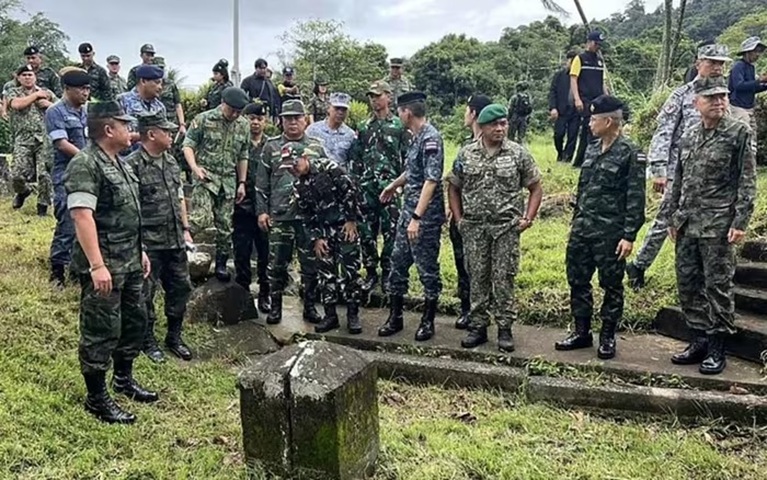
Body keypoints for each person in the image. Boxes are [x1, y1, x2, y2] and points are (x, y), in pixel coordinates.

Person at [64, 100, 155, 424]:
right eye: (124, 125)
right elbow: (81, 215)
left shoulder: (120, 163)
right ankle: (97, 397)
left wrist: (140, 250)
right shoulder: (85, 163)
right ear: (108, 129)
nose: (130, 130)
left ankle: (123, 379)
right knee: (101, 329)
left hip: (129, 260)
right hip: (105, 265)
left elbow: (127, 214)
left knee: (133, 322)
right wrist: (97, 265)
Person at [666, 76, 757, 375]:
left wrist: (740, 221)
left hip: (718, 224)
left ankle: (718, 347)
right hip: (688, 222)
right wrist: (672, 216)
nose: (719, 102)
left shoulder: (738, 132)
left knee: (717, 285)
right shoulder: (689, 135)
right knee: (688, 284)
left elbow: (747, 180)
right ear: (697, 103)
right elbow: (678, 180)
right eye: (711, 98)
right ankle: (699, 340)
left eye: (723, 96)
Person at [626, 44, 731, 290]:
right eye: (711, 62)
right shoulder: (682, 95)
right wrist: (659, 169)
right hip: (679, 169)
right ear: (698, 63)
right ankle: (640, 264)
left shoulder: (724, 95)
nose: (717, 67)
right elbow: (664, 132)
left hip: (713, 173)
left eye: (721, 63)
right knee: (667, 217)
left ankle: (704, 276)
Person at [555, 95, 646, 360]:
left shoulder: (631, 152)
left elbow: (636, 198)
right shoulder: (592, 148)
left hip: (610, 232)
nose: (589, 124)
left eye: (593, 119)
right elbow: (583, 188)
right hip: (583, 228)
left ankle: (607, 336)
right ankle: (581, 331)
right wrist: (575, 221)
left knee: (611, 284)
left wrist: (629, 236)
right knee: (577, 279)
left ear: (608, 121)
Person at [448, 104, 543, 352]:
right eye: (494, 124)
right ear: (482, 126)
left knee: (504, 278)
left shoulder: (518, 154)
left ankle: (504, 328)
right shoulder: (466, 154)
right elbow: (453, 187)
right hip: (475, 228)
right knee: (477, 276)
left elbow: (535, 187)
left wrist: (528, 218)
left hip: (505, 228)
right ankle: (478, 326)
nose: (500, 128)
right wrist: (459, 219)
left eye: (503, 123)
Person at [126, 112, 194, 363]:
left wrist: (186, 229)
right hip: (149, 242)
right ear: (152, 134)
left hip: (175, 239)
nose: (171, 135)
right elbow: (129, 209)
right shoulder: (132, 165)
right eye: (166, 131)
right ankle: (147, 339)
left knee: (181, 287)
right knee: (146, 293)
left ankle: (174, 337)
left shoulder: (172, 162)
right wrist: (138, 244)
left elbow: (179, 196)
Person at [377, 91, 445, 342]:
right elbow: (412, 171)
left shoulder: (431, 138)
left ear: (407, 112)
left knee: (427, 268)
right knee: (397, 263)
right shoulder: (415, 137)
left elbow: (431, 180)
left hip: (424, 217)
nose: (398, 115)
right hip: (408, 213)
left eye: (399, 111)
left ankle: (428, 321)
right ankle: (395, 317)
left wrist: (417, 217)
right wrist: (393, 185)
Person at [255, 99, 325, 324]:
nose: (293, 122)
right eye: (288, 119)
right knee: (277, 264)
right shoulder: (271, 147)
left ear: (305, 120)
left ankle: (310, 307)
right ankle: (275, 307)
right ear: (281, 121)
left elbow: (325, 181)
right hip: (281, 215)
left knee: (310, 264)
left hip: (308, 218)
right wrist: (262, 212)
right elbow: (261, 184)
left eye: (297, 118)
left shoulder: (316, 147)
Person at [288, 143, 362, 334]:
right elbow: (306, 215)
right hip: (323, 231)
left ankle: (353, 314)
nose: (293, 169)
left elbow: (350, 190)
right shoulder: (298, 185)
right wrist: (316, 238)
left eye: (294, 164)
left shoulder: (328, 168)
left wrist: (351, 220)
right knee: (326, 274)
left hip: (344, 226)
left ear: (305, 157)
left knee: (350, 271)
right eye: (288, 167)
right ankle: (330, 316)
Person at [183, 87, 251, 282]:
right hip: (206, 178)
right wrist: (195, 168)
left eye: (239, 111)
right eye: (232, 110)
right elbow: (188, 145)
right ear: (223, 103)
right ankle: (181, 250)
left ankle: (221, 264)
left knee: (225, 226)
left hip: (228, 181)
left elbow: (243, 155)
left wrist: (242, 182)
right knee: (201, 218)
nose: (235, 114)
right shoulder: (204, 119)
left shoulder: (243, 125)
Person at [349, 80, 409, 295]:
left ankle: (387, 272)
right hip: (367, 188)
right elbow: (356, 158)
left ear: (388, 97)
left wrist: (401, 186)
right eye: (371, 97)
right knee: (366, 232)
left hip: (390, 188)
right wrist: (355, 185)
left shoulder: (399, 126)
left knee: (392, 232)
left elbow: (407, 158)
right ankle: (371, 272)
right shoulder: (364, 127)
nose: (374, 100)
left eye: (378, 96)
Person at [446, 94, 492, 330]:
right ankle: (466, 308)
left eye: (466, 110)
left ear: (474, 113)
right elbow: (455, 181)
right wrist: (454, 211)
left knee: (483, 267)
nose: (464, 115)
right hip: (462, 215)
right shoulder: (466, 145)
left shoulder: (495, 144)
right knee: (462, 262)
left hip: (485, 218)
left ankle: (483, 310)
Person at [46, 69, 90, 287]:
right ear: (67, 89)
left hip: (87, 173)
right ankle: (57, 270)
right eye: (81, 89)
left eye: (87, 89)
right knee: (67, 218)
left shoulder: (86, 111)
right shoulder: (55, 111)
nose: (85, 93)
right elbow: (62, 144)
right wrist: (88, 158)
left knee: (87, 219)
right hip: (66, 172)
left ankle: (77, 268)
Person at [233, 102, 271, 314]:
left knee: (266, 254)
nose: (255, 122)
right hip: (242, 208)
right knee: (242, 253)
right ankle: (243, 296)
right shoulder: (238, 143)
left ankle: (265, 294)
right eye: (252, 119)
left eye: (260, 119)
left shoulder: (271, 146)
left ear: (265, 121)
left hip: (265, 209)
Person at [7, 64, 56, 215]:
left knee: (44, 175)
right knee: (16, 174)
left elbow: (61, 108)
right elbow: (17, 105)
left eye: (30, 75)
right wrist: (36, 96)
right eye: (24, 75)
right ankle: (23, 192)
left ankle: (42, 207)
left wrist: (49, 104)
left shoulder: (47, 93)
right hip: (23, 139)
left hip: (44, 139)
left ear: (35, 77)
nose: (27, 78)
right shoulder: (13, 92)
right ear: (19, 78)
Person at [570, 31, 608, 167]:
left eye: (599, 45)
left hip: (598, 99)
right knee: (590, 128)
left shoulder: (600, 61)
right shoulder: (579, 58)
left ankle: (583, 160)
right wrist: (577, 99)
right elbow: (573, 79)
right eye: (596, 43)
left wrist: (606, 97)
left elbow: (602, 82)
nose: (598, 47)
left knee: (594, 130)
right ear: (589, 42)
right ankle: (585, 160)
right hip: (585, 99)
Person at [118, 65, 166, 151]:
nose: (160, 87)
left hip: (152, 156)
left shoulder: (160, 107)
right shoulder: (122, 100)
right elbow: (115, 134)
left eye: (161, 84)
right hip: (126, 156)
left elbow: (164, 134)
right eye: (157, 82)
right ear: (143, 81)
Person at [305, 92, 356, 169]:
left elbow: (353, 161)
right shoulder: (313, 130)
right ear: (328, 108)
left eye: (344, 110)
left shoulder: (350, 135)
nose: (340, 112)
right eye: (337, 108)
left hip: (341, 174)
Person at [728, 36, 767, 136]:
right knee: (743, 135)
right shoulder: (738, 66)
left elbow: (751, 88)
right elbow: (739, 86)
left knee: (752, 137)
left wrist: (764, 85)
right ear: (747, 52)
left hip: (749, 107)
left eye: (759, 52)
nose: (758, 55)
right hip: (738, 107)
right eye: (755, 51)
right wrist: (759, 80)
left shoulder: (751, 67)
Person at [549, 51, 580, 163]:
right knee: (559, 134)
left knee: (573, 135)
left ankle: (567, 158)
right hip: (561, 110)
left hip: (575, 110)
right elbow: (552, 92)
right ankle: (560, 153)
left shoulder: (581, 76)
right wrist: (553, 108)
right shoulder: (559, 75)